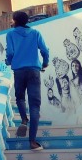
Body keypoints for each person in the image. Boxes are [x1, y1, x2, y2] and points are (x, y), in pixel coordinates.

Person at [5, 11, 49, 151]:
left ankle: (24, 119)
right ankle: (33, 142)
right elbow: (44, 51)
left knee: (19, 98)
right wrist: (45, 63)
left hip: (19, 71)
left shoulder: (10, 34)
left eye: (12, 19)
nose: (11, 21)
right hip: (34, 71)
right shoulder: (36, 33)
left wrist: (9, 61)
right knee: (35, 106)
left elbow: (10, 53)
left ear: (16, 21)